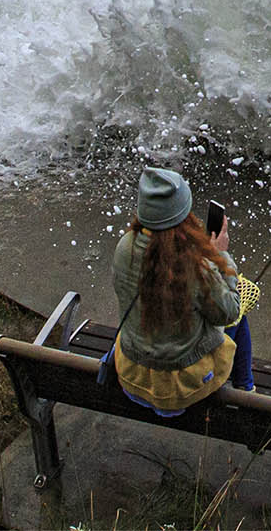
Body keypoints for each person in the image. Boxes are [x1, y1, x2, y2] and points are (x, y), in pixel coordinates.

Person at [107, 167, 255, 416]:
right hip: (182, 387)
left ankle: (247, 391)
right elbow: (228, 312)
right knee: (240, 314)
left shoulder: (125, 247)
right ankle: (247, 392)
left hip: (133, 373)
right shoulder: (196, 266)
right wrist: (220, 255)